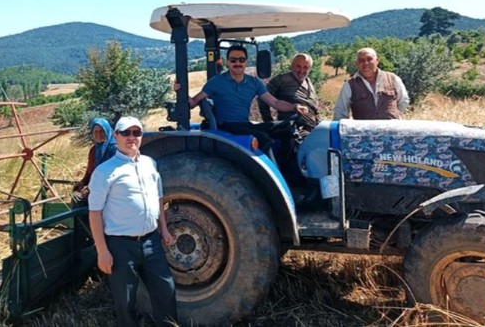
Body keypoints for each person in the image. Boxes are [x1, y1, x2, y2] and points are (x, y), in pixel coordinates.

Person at [88, 116, 177, 327]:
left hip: (151, 242)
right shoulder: (104, 172)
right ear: (116, 136)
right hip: (120, 246)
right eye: (126, 133)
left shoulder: (149, 163)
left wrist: (164, 230)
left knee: (166, 289)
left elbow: (158, 198)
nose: (131, 138)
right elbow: (95, 213)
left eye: (136, 133)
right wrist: (102, 251)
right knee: (125, 300)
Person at [182, 45, 308, 162]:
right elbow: (193, 102)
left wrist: (294, 107)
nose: (237, 63)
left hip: (245, 125)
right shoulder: (216, 81)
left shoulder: (254, 83)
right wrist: (180, 90)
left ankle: (289, 170)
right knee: (262, 138)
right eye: (233, 60)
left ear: (246, 62)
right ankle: (272, 181)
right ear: (227, 62)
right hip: (227, 126)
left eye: (241, 60)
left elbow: (275, 102)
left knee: (287, 128)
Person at [333, 47, 410, 120]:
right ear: (356, 64)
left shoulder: (392, 78)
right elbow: (340, 112)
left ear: (377, 61)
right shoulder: (350, 85)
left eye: (369, 59)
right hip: (362, 132)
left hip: (391, 131)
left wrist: (394, 115)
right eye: (361, 60)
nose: (366, 63)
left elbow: (404, 101)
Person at [258, 53, 320, 131]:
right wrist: (270, 123)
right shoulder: (281, 80)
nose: (301, 70)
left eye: (305, 67)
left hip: (313, 132)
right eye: (298, 66)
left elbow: (316, 110)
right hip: (291, 132)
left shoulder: (309, 82)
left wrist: (319, 127)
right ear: (292, 66)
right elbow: (262, 99)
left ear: (310, 69)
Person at [72, 117, 118, 203]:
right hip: (95, 186)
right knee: (76, 195)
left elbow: (111, 175)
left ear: (107, 131)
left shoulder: (114, 149)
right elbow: (89, 172)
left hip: (109, 189)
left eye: (101, 131)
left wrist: (91, 188)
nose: (98, 134)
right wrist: (82, 183)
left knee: (79, 200)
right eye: (95, 131)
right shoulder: (94, 150)